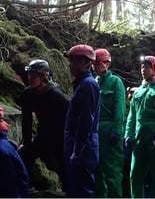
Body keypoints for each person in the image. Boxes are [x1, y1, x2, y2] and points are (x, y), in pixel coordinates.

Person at [124, 55, 155, 198]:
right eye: (142, 67)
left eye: (146, 67)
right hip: (139, 139)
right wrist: (128, 134)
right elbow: (132, 115)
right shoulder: (138, 91)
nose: (143, 70)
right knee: (135, 174)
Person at [18, 59, 69, 190]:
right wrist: (27, 141)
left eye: (33, 76)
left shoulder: (57, 97)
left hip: (60, 136)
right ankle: (26, 188)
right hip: (44, 134)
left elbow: (69, 120)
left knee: (64, 166)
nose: (30, 79)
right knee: (24, 155)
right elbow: (26, 119)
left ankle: (68, 192)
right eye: (29, 75)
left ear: (43, 77)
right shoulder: (28, 94)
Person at [63, 44, 101, 197]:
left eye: (73, 61)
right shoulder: (81, 84)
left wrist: (77, 151)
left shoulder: (88, 85)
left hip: (84, 149)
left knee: (82, 190)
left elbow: (86, 120)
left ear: (85, 63)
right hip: (78, 146)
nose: (70, 65)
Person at [92, 48, 126, 198]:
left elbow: (119, 108)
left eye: (97, 63)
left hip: (110, 132)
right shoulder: (94, 82)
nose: (94, 66)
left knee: (112, 172)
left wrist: (116, 130)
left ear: (105, 64)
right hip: (96, 132)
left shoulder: (115, 82)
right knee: (97, 171)